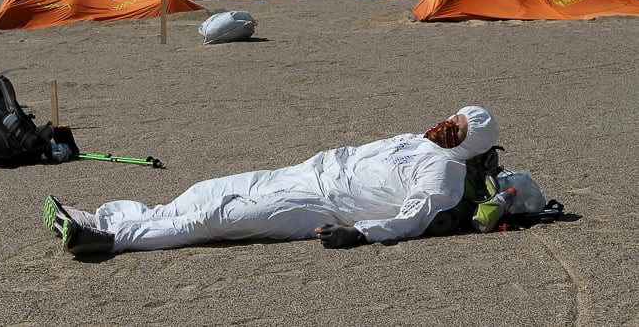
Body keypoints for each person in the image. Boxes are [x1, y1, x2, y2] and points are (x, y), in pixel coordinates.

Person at [44, 105, 501, 255]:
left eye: (456, 128)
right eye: (451, 117)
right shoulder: (418, 139)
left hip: (320, 207)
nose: (445, 125)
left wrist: (359, 233)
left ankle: (107, 239)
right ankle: (104, 217)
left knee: (217, 217)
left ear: (469, 143)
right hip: (303, 173)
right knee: (205, 191)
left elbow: (414, 218)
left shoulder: (444, 172)